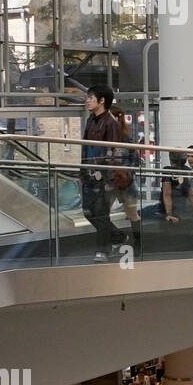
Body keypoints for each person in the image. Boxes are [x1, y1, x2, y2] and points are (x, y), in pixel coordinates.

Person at [81, 85, 122, 262]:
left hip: (103, 176)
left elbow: (114, 153)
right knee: (88, 212)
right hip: (89, 174)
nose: (87, 101)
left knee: (101, 213)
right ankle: (118, 237)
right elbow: (84, 147)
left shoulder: (111, 123)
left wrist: (109, 179)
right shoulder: (90, 120)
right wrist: (82, 172)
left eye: (91, 97)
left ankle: (103, 250)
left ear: (102, 100)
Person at [108, 106, 142, 259]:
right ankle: (117, 239)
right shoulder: (104, 137)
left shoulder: (125, 138)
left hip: (126, 183)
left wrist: (126, 173)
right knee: (101, 214)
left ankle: (138, 244)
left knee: (132, 214)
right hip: (109, 182)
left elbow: (135, 161)